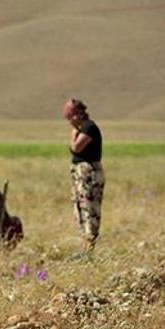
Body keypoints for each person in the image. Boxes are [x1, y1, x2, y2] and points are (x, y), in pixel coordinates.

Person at [64, 99, 104, 253]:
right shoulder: (82, 128)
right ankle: (84, 246)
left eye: (70, 115)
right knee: (79, 208)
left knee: (89, 209)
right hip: (79, 172)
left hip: (89, 172)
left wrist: (74, 131)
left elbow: (76, 148)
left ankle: (90, 246)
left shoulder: (89, 128)